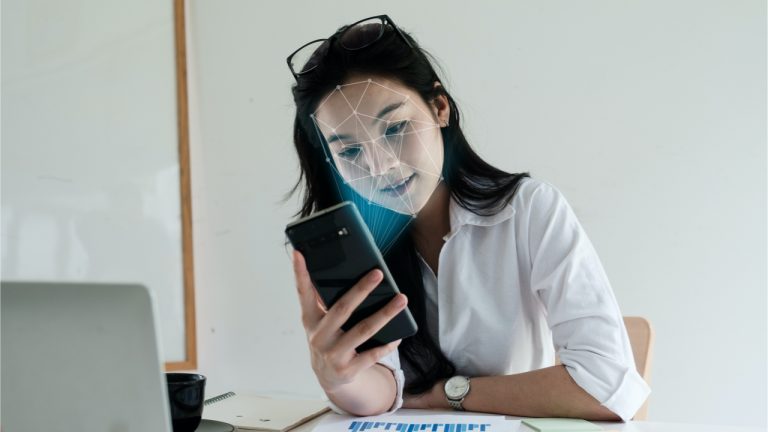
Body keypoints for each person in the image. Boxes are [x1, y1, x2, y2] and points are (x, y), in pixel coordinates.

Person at [286, 14, 650, 421]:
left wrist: (444, 394)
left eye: (395, 128)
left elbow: (606, 386)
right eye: (350, 151)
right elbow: (383, 392)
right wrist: (338, 377)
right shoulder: (355, 245)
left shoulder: (529, 210)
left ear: (439, 107)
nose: (380, 166)